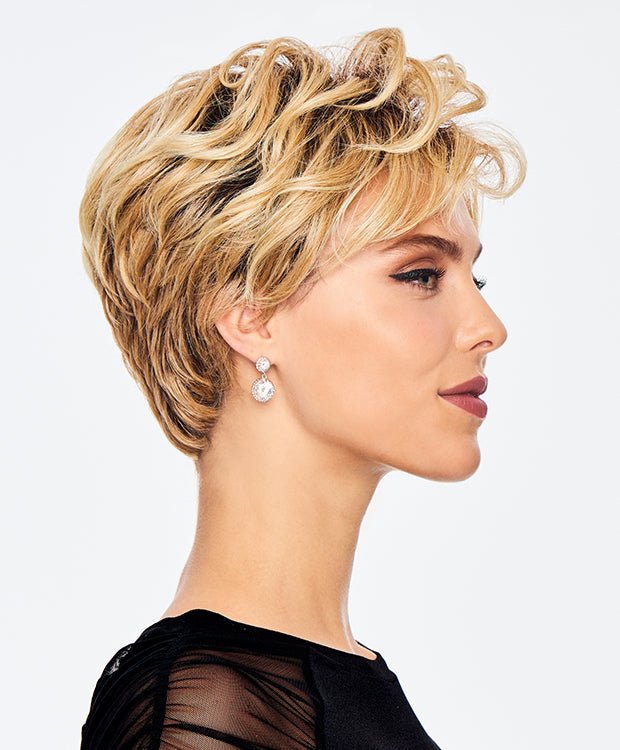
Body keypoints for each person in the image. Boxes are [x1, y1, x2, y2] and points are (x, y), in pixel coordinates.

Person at [78, 26, 526, 749]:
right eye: (420, 275)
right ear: (252, 316)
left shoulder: (312, 681)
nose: (488, 327)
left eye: (474, 278)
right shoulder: (209, 708)